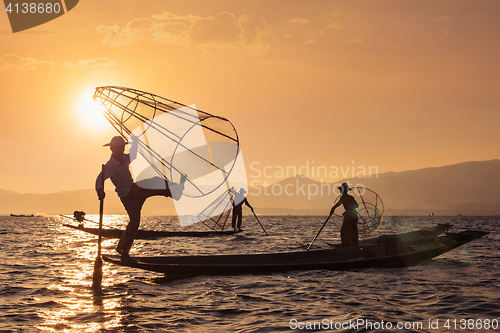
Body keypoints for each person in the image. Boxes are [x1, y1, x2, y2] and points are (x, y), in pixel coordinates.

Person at [95, 135, 186, 262]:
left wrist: (135, 143)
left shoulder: (124, 158)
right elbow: (99, 179)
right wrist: (100, 191)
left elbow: (133, 154)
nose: (120, 150)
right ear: (112, 150)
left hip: (135, 188)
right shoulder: (110, 166)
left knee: (155, 182)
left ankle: (175, 191)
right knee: (135, 221)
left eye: (121, 147)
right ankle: (123, 250)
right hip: (127, 195)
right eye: (117, 148)